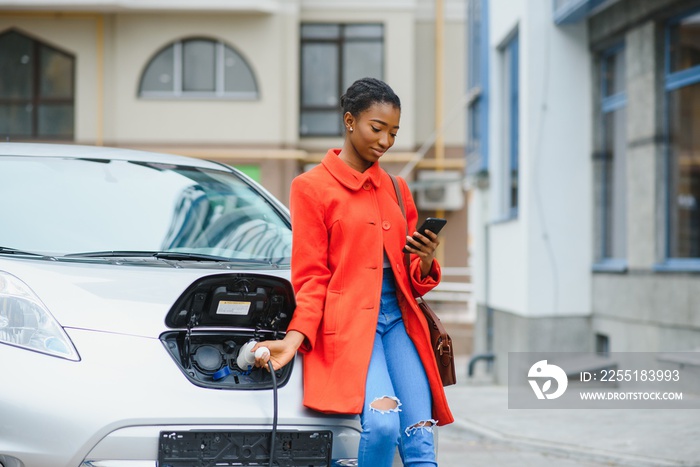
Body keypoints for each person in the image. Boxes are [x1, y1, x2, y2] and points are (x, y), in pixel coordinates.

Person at [253, 77, 453, 466]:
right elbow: (311, 277)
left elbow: (412, 275)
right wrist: (294, 339)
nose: (385, 141)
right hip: (349, 328)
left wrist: (425, 259)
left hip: (400, 323)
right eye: (376, 128)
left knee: (421, 440)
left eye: (393, 133)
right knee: (382, 426)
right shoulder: (310, 187)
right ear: (349, 121)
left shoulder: (397, 189)